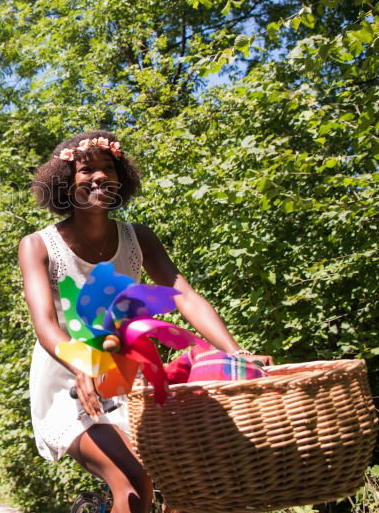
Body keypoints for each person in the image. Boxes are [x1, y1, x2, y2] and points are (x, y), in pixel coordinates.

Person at [17, 131, 271, 513]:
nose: (100, 177)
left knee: (168, 479)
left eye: (108, 168)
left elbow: (183, 295)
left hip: (124, 377)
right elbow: (46, 326)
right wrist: (85, 366)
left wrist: (236, 353)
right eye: (87, 170)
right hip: (68, 378)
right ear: (65, 183)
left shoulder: (138, 238)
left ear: (122, 180)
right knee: (133, 483)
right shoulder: (38, 245)